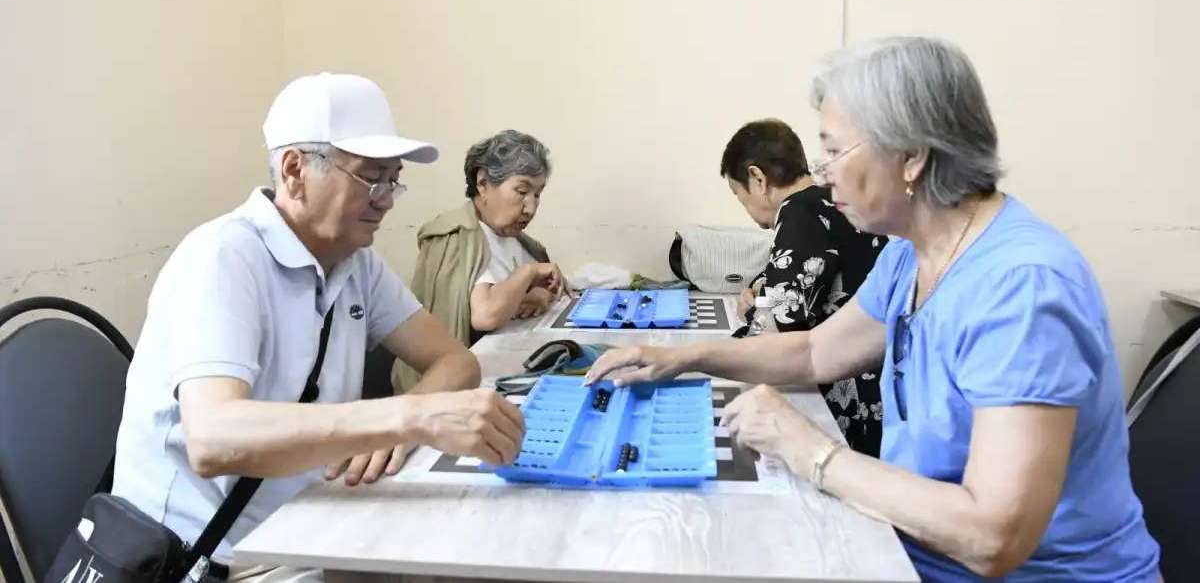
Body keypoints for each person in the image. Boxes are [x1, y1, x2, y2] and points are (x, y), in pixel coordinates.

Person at [585, 38, 1161, 581]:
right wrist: (681, 358)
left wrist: (811, 450)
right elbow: (815, 350)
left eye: (835, 149)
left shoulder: (1024, 286)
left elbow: (993, 537)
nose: (823, 169)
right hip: (912, 555)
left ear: (911, 157)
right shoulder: (911, 254)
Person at [111, 73, 525, 582]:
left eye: (393, 179)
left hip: (310, 522)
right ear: (294, 170)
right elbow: (213, 438)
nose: (387, 198)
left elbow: (455, 360)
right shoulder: (223, 257)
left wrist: (397, 429)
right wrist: (410, 416)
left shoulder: (356, 264)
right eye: (371, 176)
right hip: (213, 561)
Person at [722, 118, 887, 456]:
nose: (748, 213)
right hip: (884, 380)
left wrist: (754, 312)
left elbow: (775, 329)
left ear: (758, 179)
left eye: (739, 197)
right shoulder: (830, 200)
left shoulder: (798, 213)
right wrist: (761, 288)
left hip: (856, 397)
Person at [409, 130, 563, 345]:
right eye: (521, 191)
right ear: (483, 184)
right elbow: (485, 316)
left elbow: (543, 289)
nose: (531, 208)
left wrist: (538, 294)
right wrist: (528, 273)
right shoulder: (456, 238)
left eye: (537, 194)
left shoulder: (516, 239)